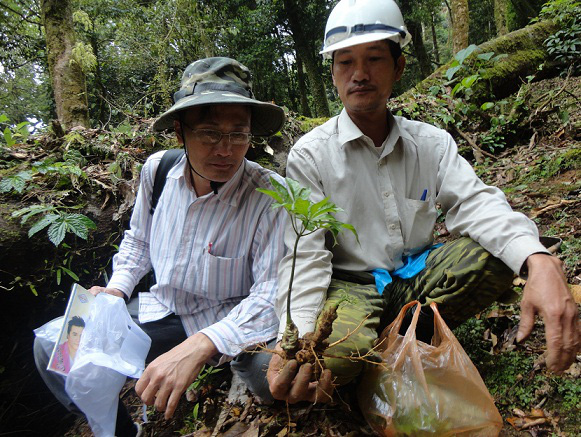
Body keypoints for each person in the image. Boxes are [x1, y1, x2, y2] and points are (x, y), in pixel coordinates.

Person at [267, 0, 579, 403]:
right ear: (332, 74)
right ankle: (376, 347)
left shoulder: (430, 144)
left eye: (374, 58)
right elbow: (304, 254)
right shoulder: (311, 155)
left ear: (398, 68)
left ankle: (396, 341)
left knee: (494, 258)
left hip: (415, 278)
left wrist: (537, 260)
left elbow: (477, 203)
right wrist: (296, 336)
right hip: (352, 288)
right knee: (323, 365)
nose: (359, 74)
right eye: (345, 62)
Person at [34, 57, 287, 436]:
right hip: (163, 309)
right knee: (55, 350)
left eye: (239, 134)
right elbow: (139, 239)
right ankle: (120, 430)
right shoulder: (158, 171)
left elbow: (271, 293)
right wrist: (117, 289)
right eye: (209, 133)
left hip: (231, 323)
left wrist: (204, 344)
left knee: (271, 377)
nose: (226, 149)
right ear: (179, 132)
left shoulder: (269, 195)